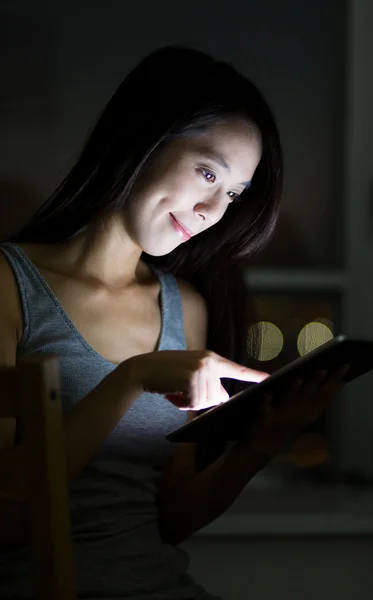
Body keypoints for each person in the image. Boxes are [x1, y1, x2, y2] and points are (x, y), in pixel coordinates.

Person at [0, 46, 347, 599]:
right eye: (208, 172)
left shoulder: (184, 305)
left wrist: (258, 447)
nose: (215, 209)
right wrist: (130, 378)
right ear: (143, 140)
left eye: (234, 193)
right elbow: (10, 509)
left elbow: (169, 519)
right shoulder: (10, 285)